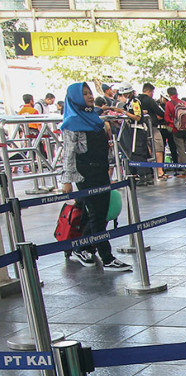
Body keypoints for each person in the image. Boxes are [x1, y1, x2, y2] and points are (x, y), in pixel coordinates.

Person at [58, 82, 131, 271]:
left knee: (100, 214)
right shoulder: (71, 123)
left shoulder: (95, 119)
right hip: (85, 175)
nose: (89, 96)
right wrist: (67, 181)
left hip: (101, 172)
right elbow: (68, 153)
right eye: (84, 94)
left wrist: (109, 169)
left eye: (89, 92)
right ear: (75, 98)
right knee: (97, 215)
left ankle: (82, 247)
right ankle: (107, 257)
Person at [139, 83, 168, 180]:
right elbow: (159, 111)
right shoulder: (149, 100)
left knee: (148, 149)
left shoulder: (137, 100)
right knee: (158, 147)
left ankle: (151, 171)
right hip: (152, 127)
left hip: (141, 128)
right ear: (149, 91)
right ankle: (160, 171)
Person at [164, 87, 186, 174]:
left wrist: (174, 124)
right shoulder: (185, 103)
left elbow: (166, 118)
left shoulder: (169, 104)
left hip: (176, 130)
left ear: (169, 94)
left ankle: (185, 170)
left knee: (181, 150)